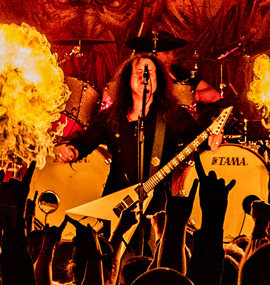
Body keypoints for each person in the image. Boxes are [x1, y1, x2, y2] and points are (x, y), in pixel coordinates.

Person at [54, 54, 220, 214]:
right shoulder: (110, 117)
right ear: (128, 80)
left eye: (150, 73)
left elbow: (202, 137)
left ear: (158, 81)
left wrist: (214, 137)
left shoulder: (174, 116)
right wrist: (72, 151)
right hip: (116, 205)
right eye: (139, 72)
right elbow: (84, 143)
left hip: (158, 209)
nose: (144, 77)